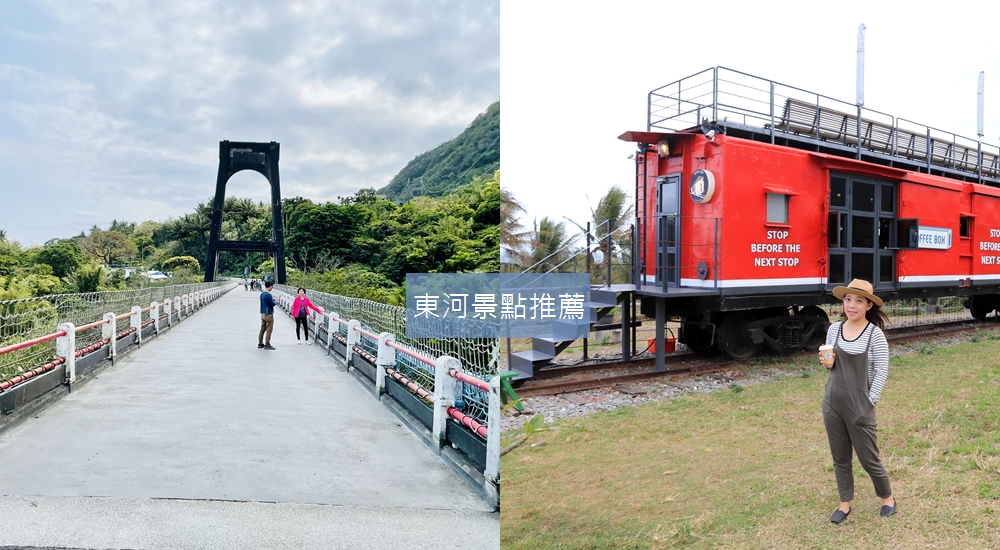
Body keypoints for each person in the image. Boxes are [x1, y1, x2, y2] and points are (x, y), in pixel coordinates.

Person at [819, 278, 895, 523]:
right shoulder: (834, 329)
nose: (851, 305)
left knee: (868, 458)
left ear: (868, 306)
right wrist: (827, 363)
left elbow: (881, 372)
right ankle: (844, 504)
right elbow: (830, 363)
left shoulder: (875, 335)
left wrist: (868, 403)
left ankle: (887, 498)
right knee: (840, 457)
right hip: (833, 402)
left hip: (860, 405)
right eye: (847, 300)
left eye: (858, 301)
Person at [258, 281, 277, 350]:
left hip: (263, 313)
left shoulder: (262, 294)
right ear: (270, 286)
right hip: (268, 314)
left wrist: (272, 300)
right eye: (272, 286)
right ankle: (267, 344)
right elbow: (272, 304)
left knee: (262, 329)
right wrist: (276, 301)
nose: (272, 287)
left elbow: (266, 302)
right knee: (269, 329)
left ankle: (260, 343)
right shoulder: (268, 295)